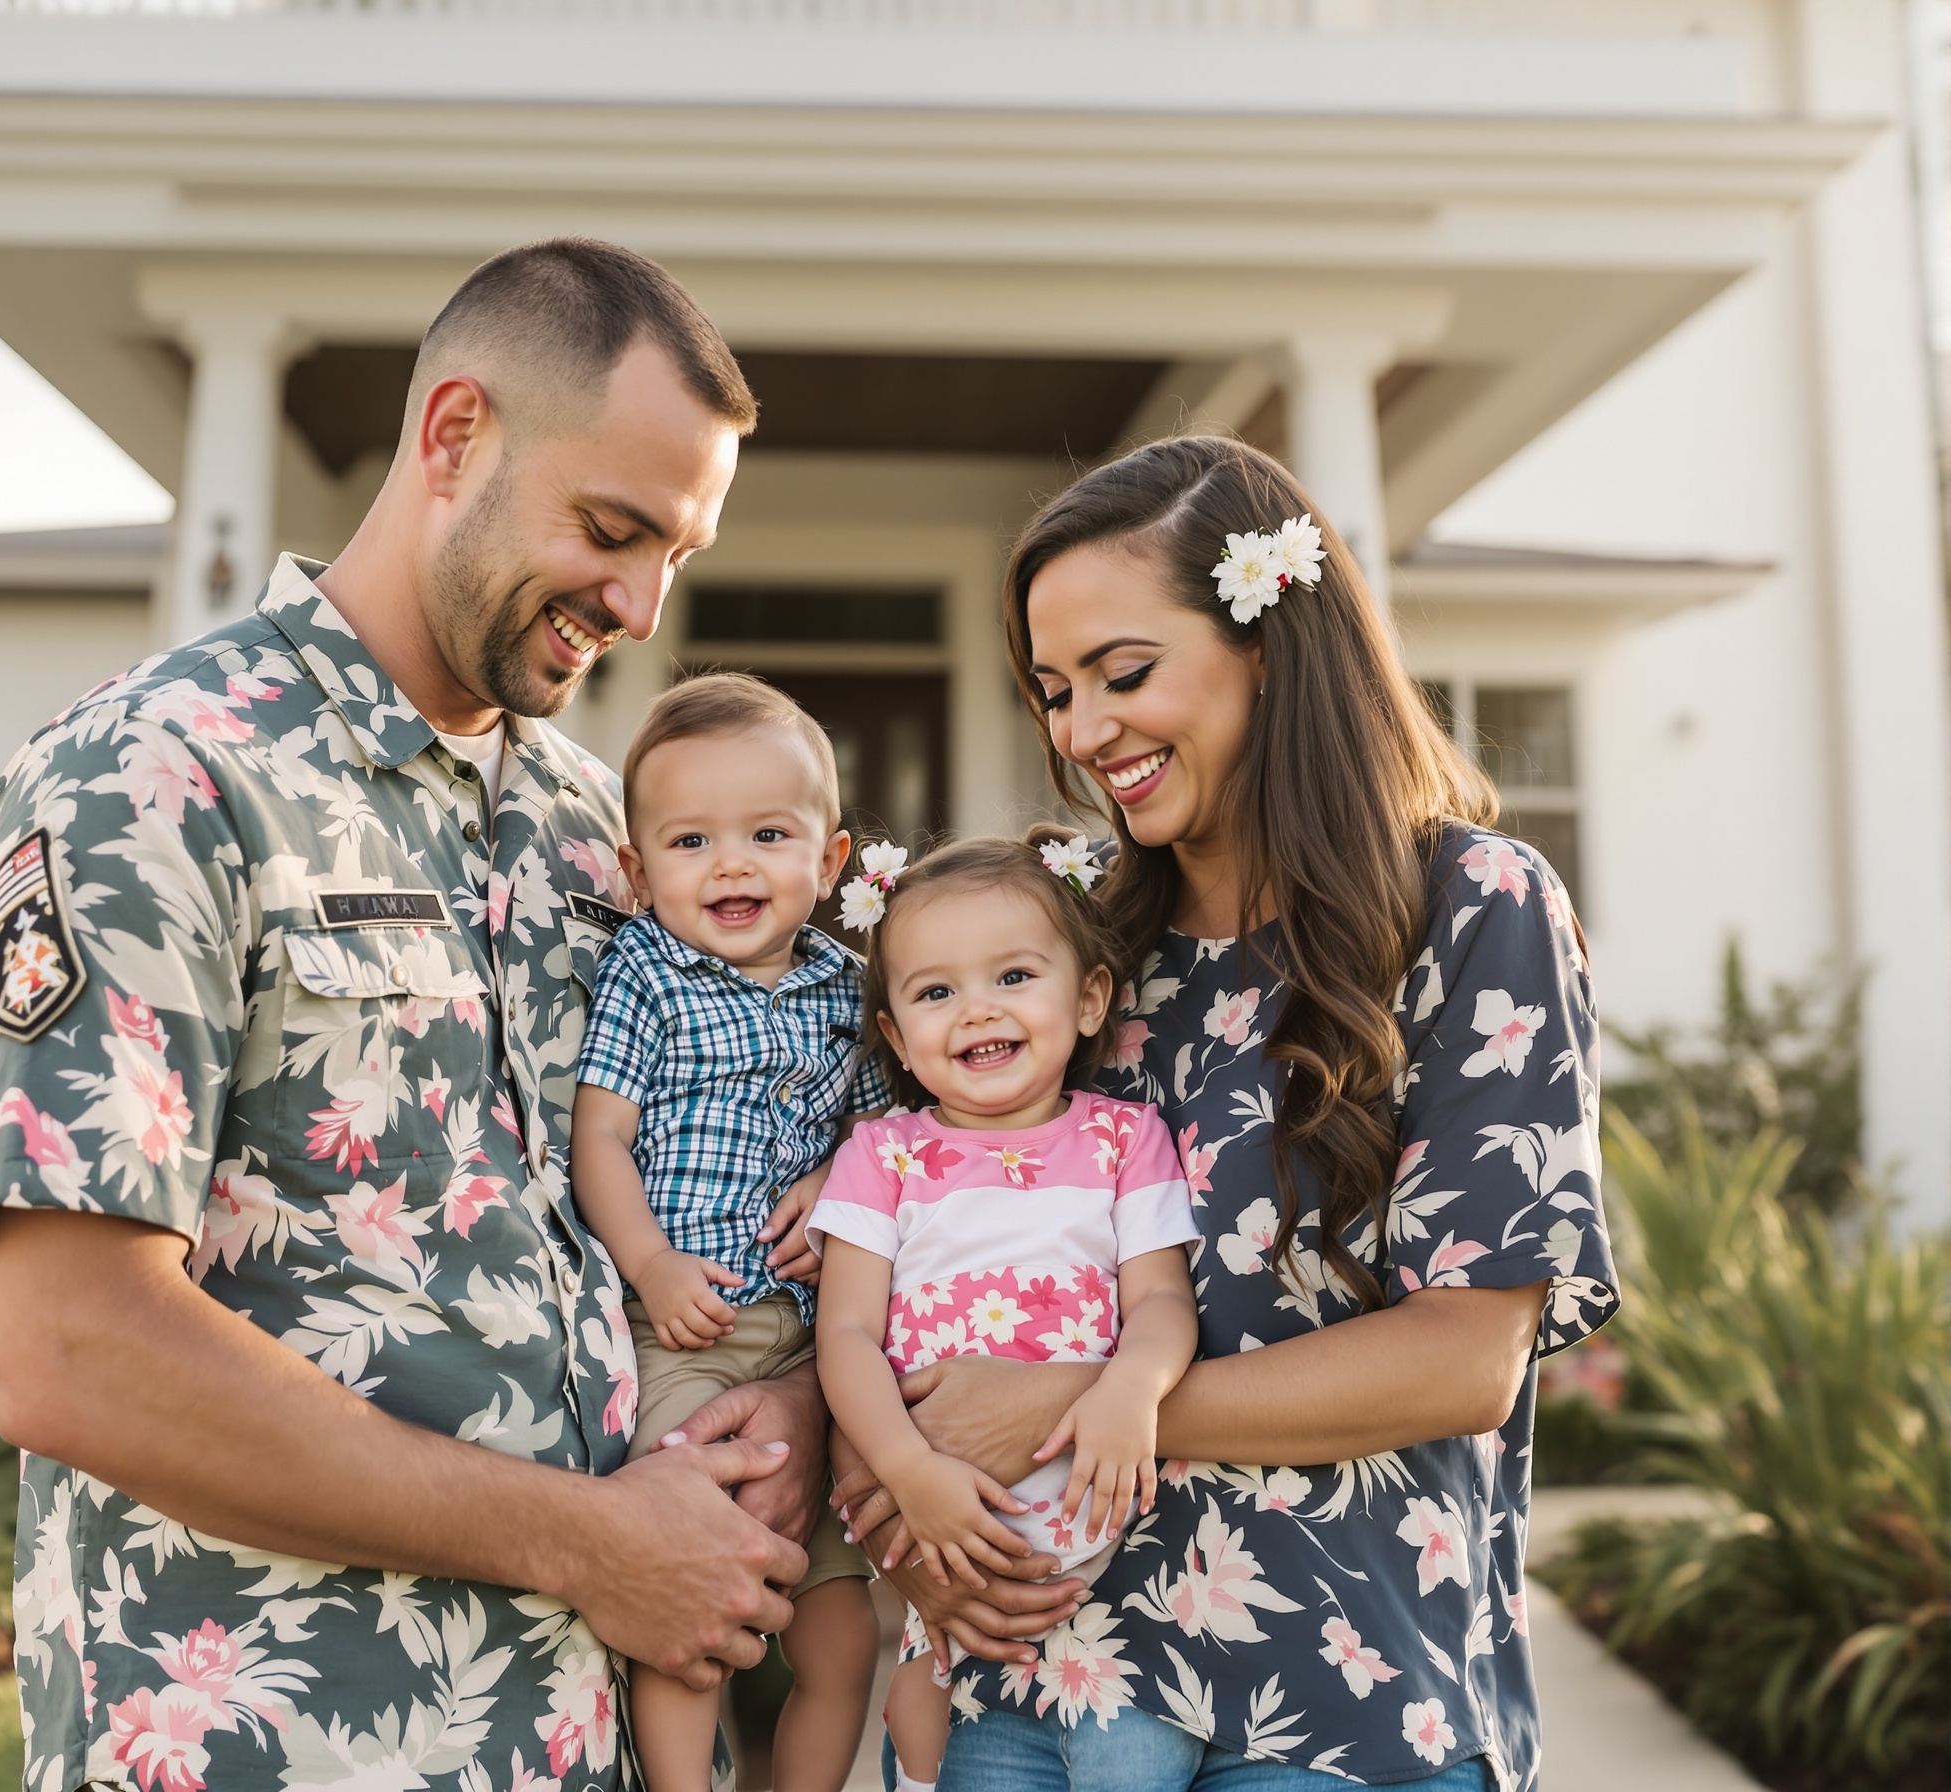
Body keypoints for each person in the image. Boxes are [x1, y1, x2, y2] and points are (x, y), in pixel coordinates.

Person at [0, 239, 829, 1792]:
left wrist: (792, 1409)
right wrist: (587, 1545)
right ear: (453, 437)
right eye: (614, 529)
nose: (638, 605)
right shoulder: (152, 777)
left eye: (676, 557)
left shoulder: (597, 834)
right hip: (269, 1747)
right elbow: (71, 1348)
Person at [830, 436, 1617, 1792]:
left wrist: (1070, 1409)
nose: (1082, 735)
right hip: (1042, 1682)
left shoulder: (1472, 908)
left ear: (1271, 639)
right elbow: (901, 1242)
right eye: (1055, 691)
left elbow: (1461, 1360)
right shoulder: (1065, 922)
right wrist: (912, 1499)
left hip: (1345, 1701)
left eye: (1124, 675)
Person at [812, 831, 1201, 1792]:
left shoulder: (1123, 1139)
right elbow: (847, 1334)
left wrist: (1129, 1394)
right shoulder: (883, 1155)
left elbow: (1160, 1301)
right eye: (935, 992)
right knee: (945, 1761)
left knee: (1134, 1766)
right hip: (944, 1533)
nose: (976, 1008)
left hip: (1117, 1579)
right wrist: (906, 1471)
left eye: (1014, 975)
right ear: (898, 1037)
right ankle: (925, 1663)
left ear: (1090, 999)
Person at [570, 672, 886, 1792]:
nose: (732, 864)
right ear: (638, 868)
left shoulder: (851, 990)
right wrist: (647, 1263)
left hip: (818, 1347)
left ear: (832, 858)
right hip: (687, 1334)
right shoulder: (646, 973)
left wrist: (846, 1175)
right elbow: (599, 1134)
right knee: (691, 1606)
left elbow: (895, 1137)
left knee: (841, 1636)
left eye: (767, 833)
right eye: (691, 840)